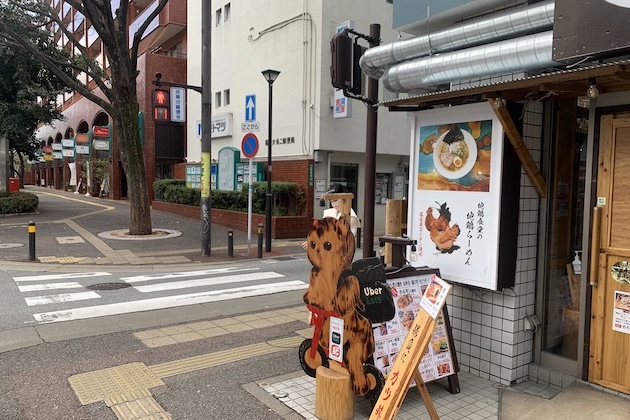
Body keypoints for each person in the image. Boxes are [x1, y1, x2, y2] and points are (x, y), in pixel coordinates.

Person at [302, 184, 361, 249]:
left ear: (344, 199)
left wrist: (318, 243)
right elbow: (322, 232)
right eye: (331, 201)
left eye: (336, 200)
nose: (334, 204)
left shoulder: (351, 216)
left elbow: (343, 239)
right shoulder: (329, 213)